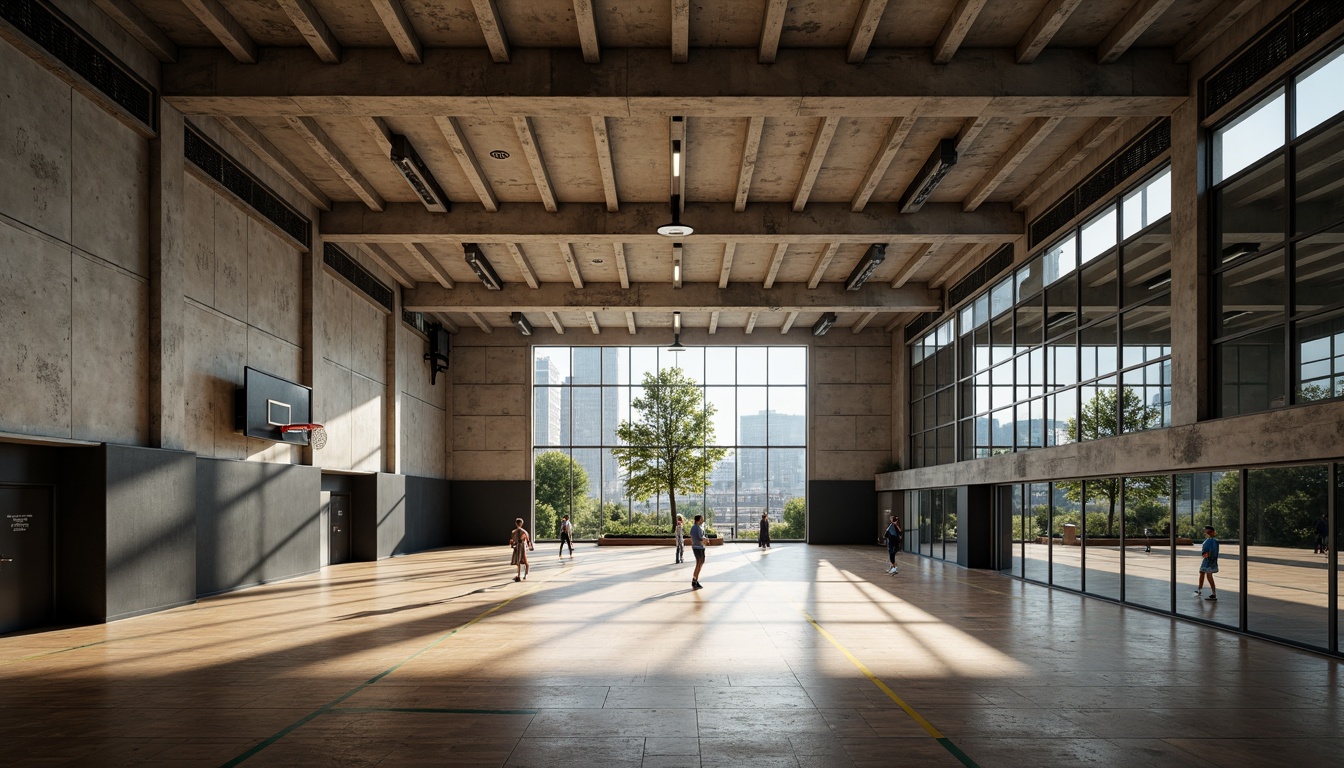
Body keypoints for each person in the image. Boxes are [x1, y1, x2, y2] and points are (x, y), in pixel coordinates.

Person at [1194, 525, 1218, 601]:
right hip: (1210, 560)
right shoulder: (1213, 541)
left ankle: (1213, 594)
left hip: (1208, 561)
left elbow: (1207, 551)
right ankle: (1200, 590)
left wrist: (1206, 556)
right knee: (1202, 573)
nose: (1204, 532)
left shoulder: (1210, 541)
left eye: (1205, 530)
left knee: (1208, 576)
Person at [509, 517, 533, 582]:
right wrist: (530, 546)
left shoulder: (514, 532)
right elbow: (527, 540)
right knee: (524, 561)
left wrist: (512, 545)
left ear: (516, 523)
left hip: (518, 547)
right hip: (522, 547)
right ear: (521, 523)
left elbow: (512, 541)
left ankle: (519, 575)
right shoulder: (523, 532)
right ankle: (525, 574)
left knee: (518, 561)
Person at [690, 514, 706, 589]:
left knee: (699, 564)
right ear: (698, 520)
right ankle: (694, 580)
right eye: (701, 519)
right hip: (699, 548)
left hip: (697, 547)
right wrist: (706, 540)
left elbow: (693, 538)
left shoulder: (694, 528)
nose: (702, 520)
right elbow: (700, 537)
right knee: (699, 564)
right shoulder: (698, 528)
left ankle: (695, 580)